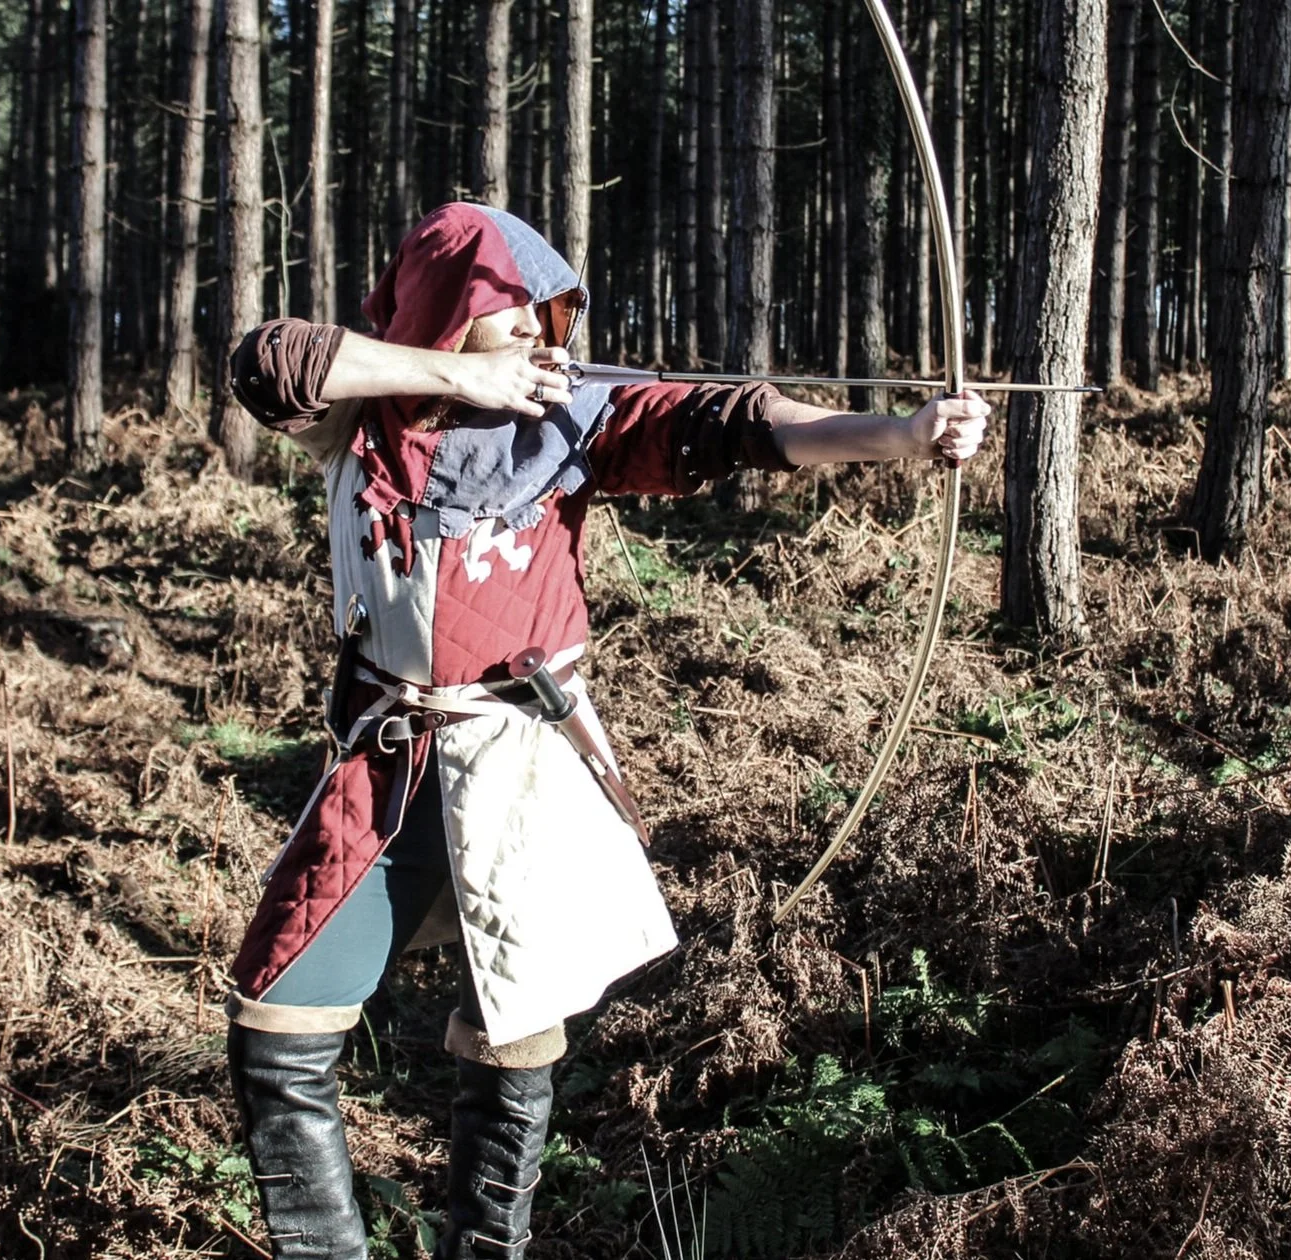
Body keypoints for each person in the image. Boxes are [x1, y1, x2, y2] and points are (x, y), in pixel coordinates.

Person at [223, 202, 988, 1260]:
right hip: (390, 766)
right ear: (448, 317)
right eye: (511, 314)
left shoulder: (574, 422)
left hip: (520, 772)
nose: (542, 336)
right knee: (280, 1021)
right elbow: (268, 363)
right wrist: (460, 380)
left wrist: (899, 434)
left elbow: (736, 424)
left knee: (514, 1037)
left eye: (551, 311)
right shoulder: (363, 420)